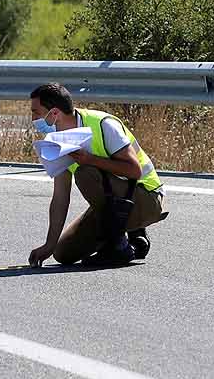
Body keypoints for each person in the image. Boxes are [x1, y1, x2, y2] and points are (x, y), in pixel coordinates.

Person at [27, 82, 169, 268]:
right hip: (112, 203)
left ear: (54, 113)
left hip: (147, 197)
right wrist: (49, 245)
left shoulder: (103, 124)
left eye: (35, 112)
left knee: (85, 173)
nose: (33, 118)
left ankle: (118, 245)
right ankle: (133, 234)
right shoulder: (55, 142)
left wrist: (90, 160)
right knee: (63, 253)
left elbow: (135, 170)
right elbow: (60, 197)